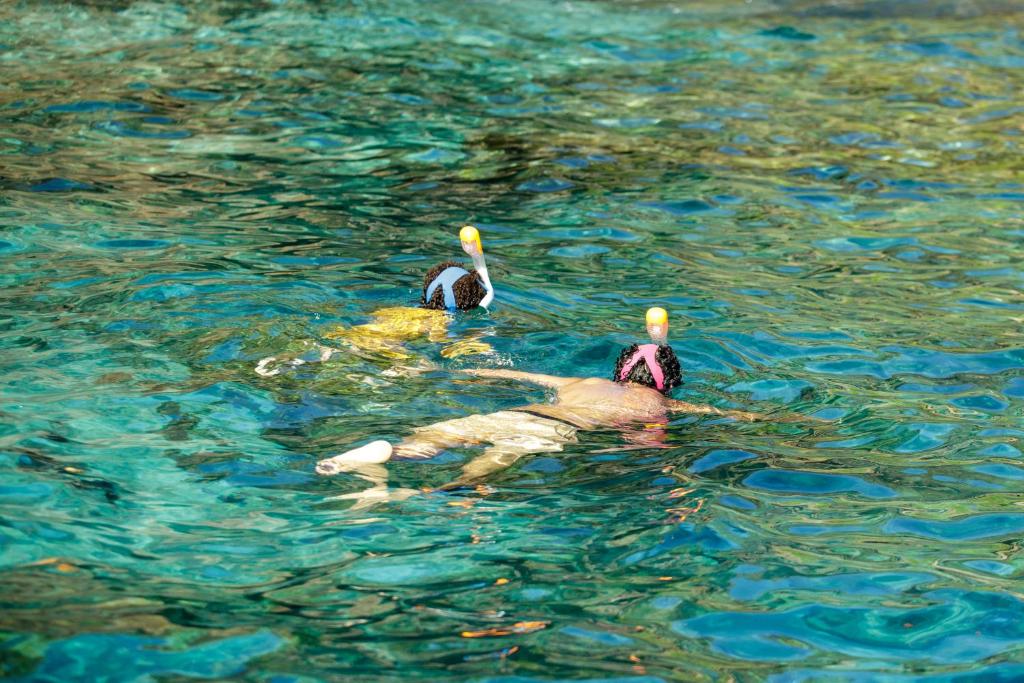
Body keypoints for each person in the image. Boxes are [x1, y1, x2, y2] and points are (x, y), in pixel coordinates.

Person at [316, 308, 762, 498]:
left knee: (436, 440)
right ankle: (432, 492)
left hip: (517, 414)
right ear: (669, 383)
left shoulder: (580, 380)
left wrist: (432, 371)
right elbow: (716, 415)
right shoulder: (661, 408)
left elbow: (508, 373)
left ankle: (389, 452)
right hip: (549, 434)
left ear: (619, 370)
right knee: (485, 469)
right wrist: (751, 416)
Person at [255, 226, 495, 376]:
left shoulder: (396, 310)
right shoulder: (439, 322)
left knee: (327, 351)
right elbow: (445, 347)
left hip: (346, 333)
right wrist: (474, 343)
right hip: (379, 348)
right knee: (417, 370)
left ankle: (291, 360)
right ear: (467, 303)